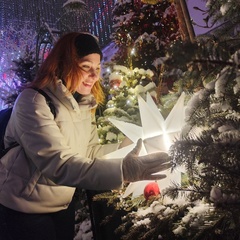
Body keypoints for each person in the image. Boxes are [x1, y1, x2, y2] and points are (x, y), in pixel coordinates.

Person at [0, 32, 171, 240]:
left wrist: (127, 146)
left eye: (98, 68)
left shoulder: (83, 104)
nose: (94, 75)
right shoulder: (34, 100)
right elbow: (58, 164)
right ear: (65, 64)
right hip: (23, 209)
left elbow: (90, 151)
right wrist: (123, 170)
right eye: (86, 67)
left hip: (61, 205)